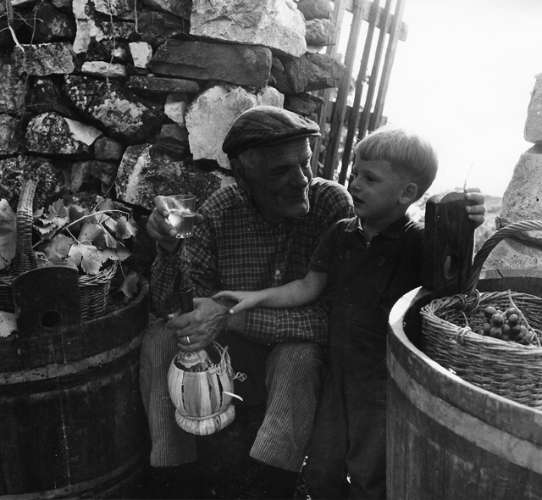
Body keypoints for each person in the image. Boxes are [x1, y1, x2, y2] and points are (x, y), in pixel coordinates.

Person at [214, 127, 486, 499]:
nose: (354, 183)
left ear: (406, 193)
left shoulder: (420, 243)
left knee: (368, 474)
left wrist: (465, 228)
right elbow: (307, 286)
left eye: (369, 178)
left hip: (384, 383)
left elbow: (456, 289)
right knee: (321, 467)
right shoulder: (341, 234)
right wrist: (252, 297)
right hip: (337, 373)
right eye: (355, 173)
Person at [139, 105, 354, 497]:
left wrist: (228, 317)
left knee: (298, 357)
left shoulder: (332, 207)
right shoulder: (219, 210)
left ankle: (268, 487)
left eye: (305, 163)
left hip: (292, 360)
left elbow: (335, 318)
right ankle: (173, 482)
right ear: (243, 178)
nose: (301, 180)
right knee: (159, 341)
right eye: (280, 171)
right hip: (232, 357)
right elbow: (178, 305)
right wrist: (168, 249)